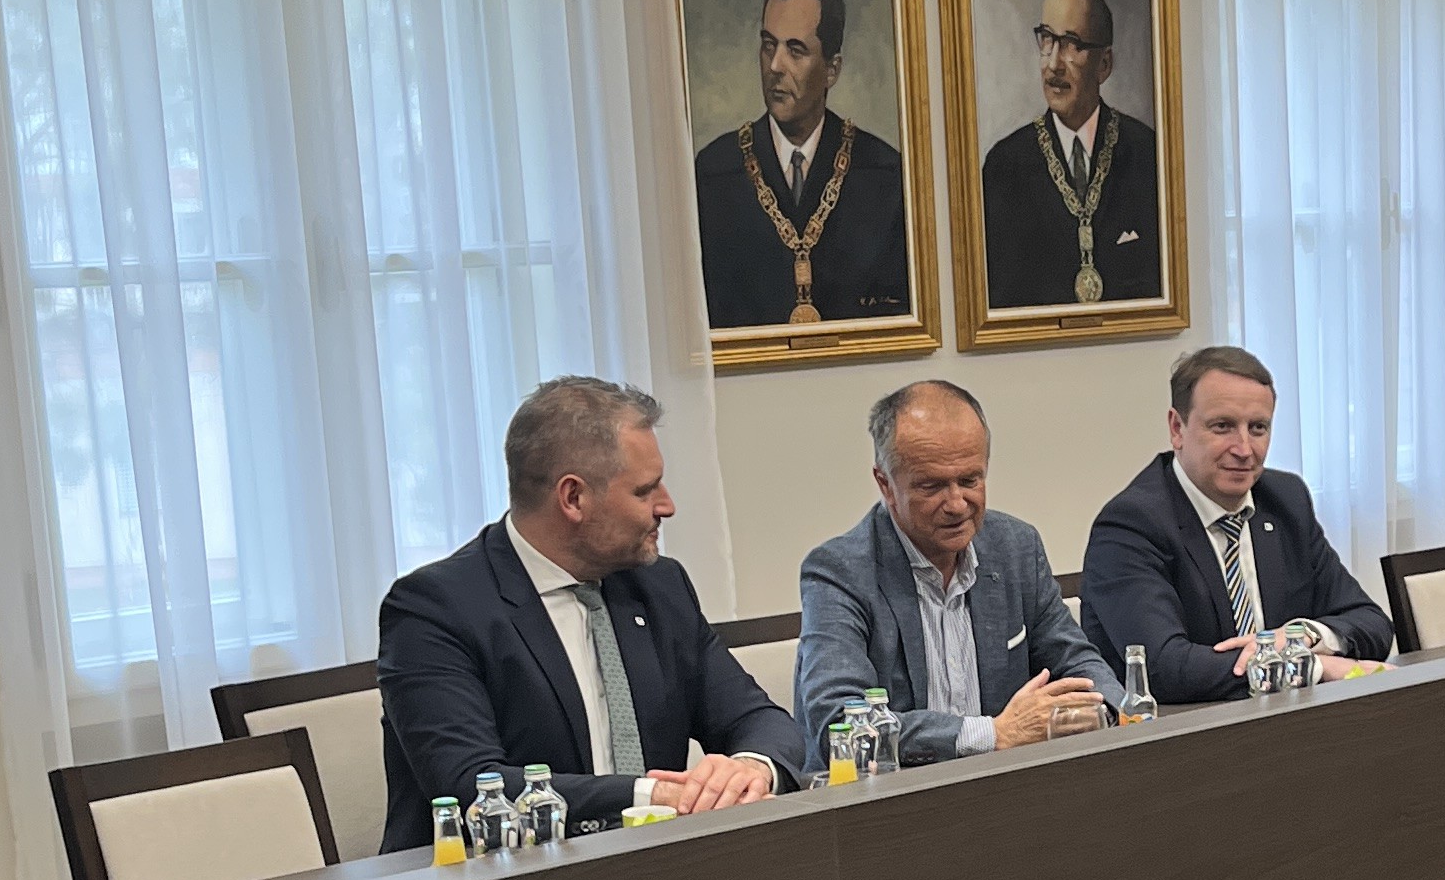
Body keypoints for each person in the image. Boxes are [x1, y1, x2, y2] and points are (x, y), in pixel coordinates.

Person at [377, 376, 804, 851]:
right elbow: (471, 785)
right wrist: (652, 796)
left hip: (658, 871)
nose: (667, 506)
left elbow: (757, 718)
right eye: (645, 491)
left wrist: (749, 767)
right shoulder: (433, 608)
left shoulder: (659, 586)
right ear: (573, 498)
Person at [796, 379, 1123, 770]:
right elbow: (841, 723)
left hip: (1007, 786)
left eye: (970, 480)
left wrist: (1105, 712)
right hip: (894, 795)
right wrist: (992, 735)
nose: (956, 504)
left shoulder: (1015, 549)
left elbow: (1077, 661)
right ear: (886, 484)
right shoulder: (840, 572)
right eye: (932, 486)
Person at [1079, 346, 1392, 705]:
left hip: (1291, 719)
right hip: (1188, 728)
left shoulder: (1285, 500)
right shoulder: (1131, 524)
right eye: (1223, 427)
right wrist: (1312, 667)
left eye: (1258, 428)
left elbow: (1372, 624)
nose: (1244, 449)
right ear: (1177, 428)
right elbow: (1164, 669)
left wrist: (1303, 635)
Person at [693, 0, 911, 328]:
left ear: (832, 70)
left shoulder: (883, 173)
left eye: (795, 51)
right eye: (768, 45)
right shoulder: (715, 171)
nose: (775, 66)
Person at [980, 0, 1162, 308]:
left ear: (1104, 64)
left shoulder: (1147, 153)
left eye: (1071, 44)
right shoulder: (1005, 167)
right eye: (1047, 39)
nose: (1053, 64)